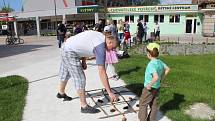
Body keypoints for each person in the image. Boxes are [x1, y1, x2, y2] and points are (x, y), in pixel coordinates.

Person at [57, 30, 118, 114]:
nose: (112, 50)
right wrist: (110, 92)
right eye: (113, 48)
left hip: (66, 46)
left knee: (66, 72)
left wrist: (83, 61)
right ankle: (84, 106)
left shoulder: (101, 36)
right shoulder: (100, 48)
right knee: (80, 78)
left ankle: (61, 93)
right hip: (70, 51)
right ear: (110, 42)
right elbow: (102, 72)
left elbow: (84, 44)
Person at [138, 43, 170, 121]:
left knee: (143, 104)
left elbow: (155, 77)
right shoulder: (160, 62)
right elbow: (168, 69)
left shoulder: (151, 64)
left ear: (149, 54)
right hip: (157, 87)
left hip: (149, 88)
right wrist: (161, 80)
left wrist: (149, 84)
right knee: (154, 105)